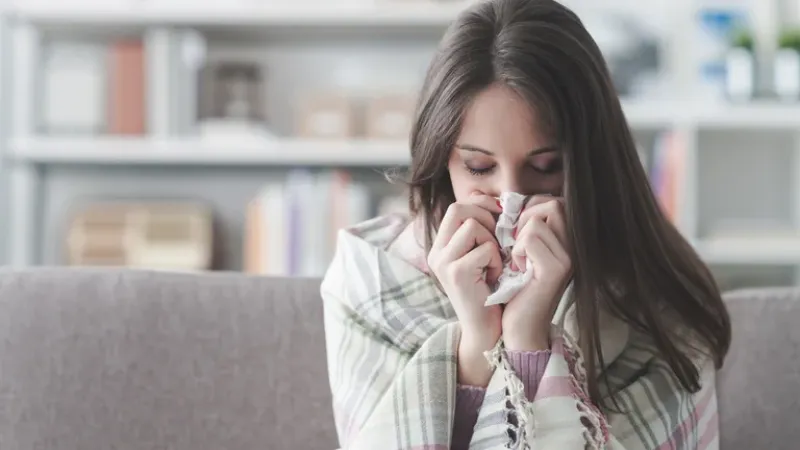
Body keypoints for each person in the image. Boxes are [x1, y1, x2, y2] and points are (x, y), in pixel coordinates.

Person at [320, 0, 731, 448]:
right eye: (478, 167)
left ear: (593, 163)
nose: (510, 198)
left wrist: (527, 339)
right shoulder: (370, 279)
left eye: (546, 166)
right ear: (442, 162)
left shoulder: (656, 299)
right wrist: (477, 340)